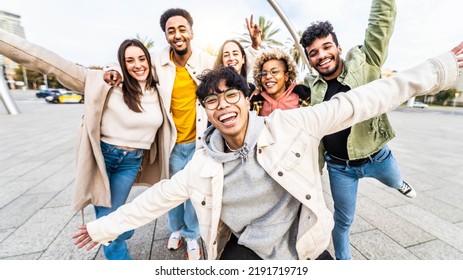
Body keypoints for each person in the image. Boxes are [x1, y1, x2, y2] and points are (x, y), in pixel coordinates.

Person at [72, 43, 463, 260]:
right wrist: (103, 227)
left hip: (303, 247)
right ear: (205, 110)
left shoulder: (290, 125)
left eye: (230, 95)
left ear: (247, 99)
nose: (222, 105)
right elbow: (159, 197)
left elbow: (363, 100)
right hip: (247, 252)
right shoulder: (202, 164)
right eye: (211, 100)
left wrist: (438, 69)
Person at [0, 29, 175, 260]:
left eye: (142, 58)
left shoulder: (159, 89)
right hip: (103, 159)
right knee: (108, 227)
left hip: (131, 164)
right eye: (129, 60)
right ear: (122, 64)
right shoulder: (107, 82)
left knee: (114, 220)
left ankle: (123, 228)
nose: (137, 65)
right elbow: (47, 62)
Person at [104, 9, 262, 260]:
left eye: (181, 29)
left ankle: (191, 234)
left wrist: (254, 47)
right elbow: (132, 63)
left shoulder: (206, 60)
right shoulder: (157, 60)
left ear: (191, 32)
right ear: (166, 35)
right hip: (172, 143)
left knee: (195, 193)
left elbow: (235, 63)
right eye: (171, 30)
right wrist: (113, 68)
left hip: (200, 142)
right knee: (171, 192)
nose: (177, 35)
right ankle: (175, 229)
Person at [299, 0, 413, 260]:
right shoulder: (310, 87)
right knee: (343, 221)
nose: (322, 55)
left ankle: (400, 183)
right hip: (341, 169)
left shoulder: (367, 62)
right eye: (314, 52)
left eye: (327, 47)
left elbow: (380, 25)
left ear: (338, 48)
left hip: (378, 157)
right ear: (309, 59)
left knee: (396, 181)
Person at [250, 49, 310, 116]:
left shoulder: (303, 98)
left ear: (286, 76)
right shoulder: (256, 102)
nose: (268, 76)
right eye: (264, 73)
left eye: (274, 72)